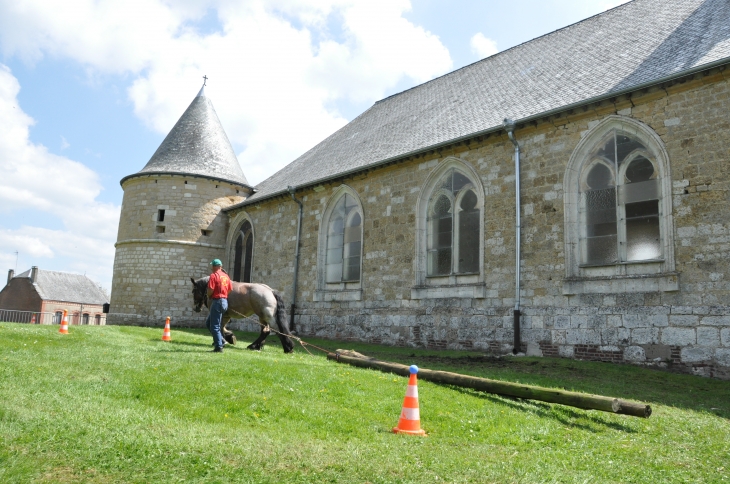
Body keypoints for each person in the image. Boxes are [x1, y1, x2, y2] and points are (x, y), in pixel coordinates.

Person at [205, 259, 232, 353]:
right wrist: (223, 296)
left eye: (212, 266)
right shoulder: (226, 276)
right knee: (209, 323)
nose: (211, 268)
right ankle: (222, 340)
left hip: (217, 302)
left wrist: (209, 296)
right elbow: (229, 290)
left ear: (216, 266)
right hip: (224, 302)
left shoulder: (213, 276)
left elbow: (210, 290)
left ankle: (219, 347)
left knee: (215, 326)